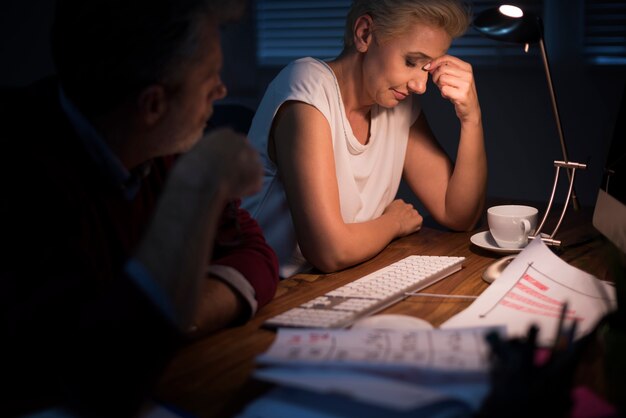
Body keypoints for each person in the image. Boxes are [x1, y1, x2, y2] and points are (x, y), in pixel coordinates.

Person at [0, 0, 278, 416]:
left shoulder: (163, 145)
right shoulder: (25, 179)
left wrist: (175, 313)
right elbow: (99, 377)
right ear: (152, 105)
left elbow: (257, 256)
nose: (221, 91)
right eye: (209, 80)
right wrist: (198, 188)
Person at [243, 0, 487, 277]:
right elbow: (329, 251)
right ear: (365, 34)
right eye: (410, 62)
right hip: (267, 290)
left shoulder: (399, 107)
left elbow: (459, 215)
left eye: (427, 69)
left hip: (335, 282)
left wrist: (471, 117)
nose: (420, 86)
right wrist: (393, 223)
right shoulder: (306, 88)